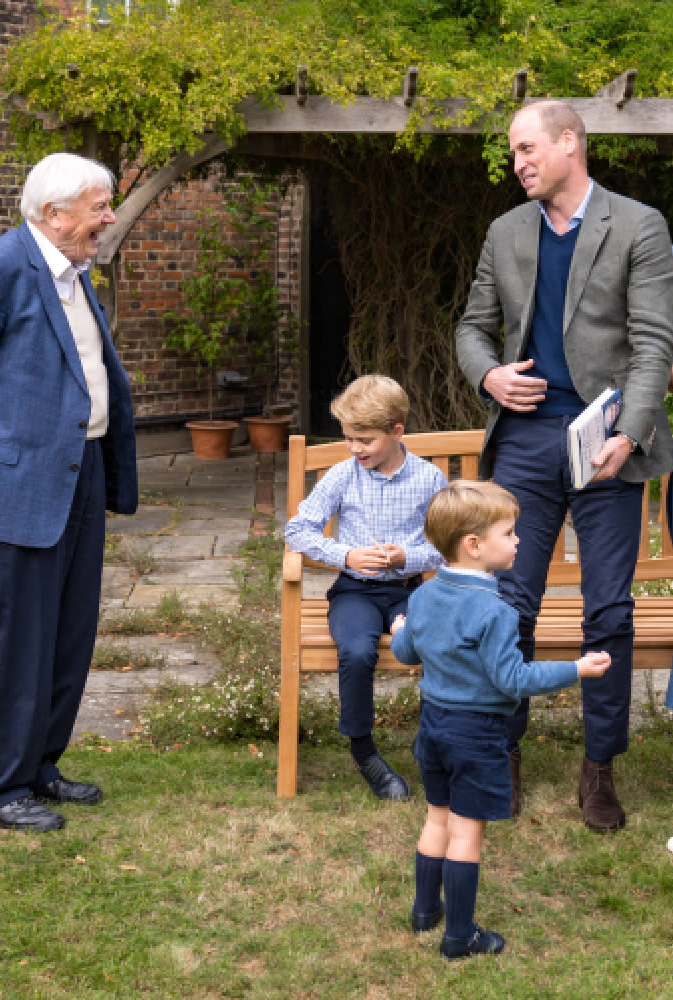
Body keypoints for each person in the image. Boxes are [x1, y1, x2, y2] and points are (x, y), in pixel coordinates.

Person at [456, 99, 673, 831]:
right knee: (508, 607)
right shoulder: (504, 232)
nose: (517, 162)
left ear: (570, 144)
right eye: (513, 151)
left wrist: (633, 435)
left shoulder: (639, 225)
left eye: (527, 148)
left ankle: (599, 769)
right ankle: (503, 753)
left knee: (608, 610)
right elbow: (470, 327)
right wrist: (489, 376)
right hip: (523, 443)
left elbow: (653, 345)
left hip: (607, 446)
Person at [0, 153, 138, 833]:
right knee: (21, 640)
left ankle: (40, 766)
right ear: (53, 214)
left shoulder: (72, 272)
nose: (108, 218)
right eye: (98, 207)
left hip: (80, 471)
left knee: (70, 633)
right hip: (17, 483)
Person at [390, 480, 610, 960]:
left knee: (436, 817)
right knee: (466, 833)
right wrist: (576, 668)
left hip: (433, 726)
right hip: (477, 734)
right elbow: (513, 679)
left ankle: (425, 913)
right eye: (509, 533)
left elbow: (407, 652)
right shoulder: (496, 611)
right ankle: (460, 937)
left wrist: (398, 628)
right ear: (474, 546)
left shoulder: (425, 595)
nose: (517, 542)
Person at [284, 374, 446, 799]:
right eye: (349, 439)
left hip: (411, 592)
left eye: (365, 440)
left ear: (396, 432)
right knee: (356, 652)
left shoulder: (429, 480)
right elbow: (298, 531)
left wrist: (405, 557)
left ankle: (431, 744)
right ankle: (364, 752)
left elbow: (447, 547)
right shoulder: (342, 476)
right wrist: (345, 555)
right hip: (355, 592)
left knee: (433, 643)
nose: (355, 448)